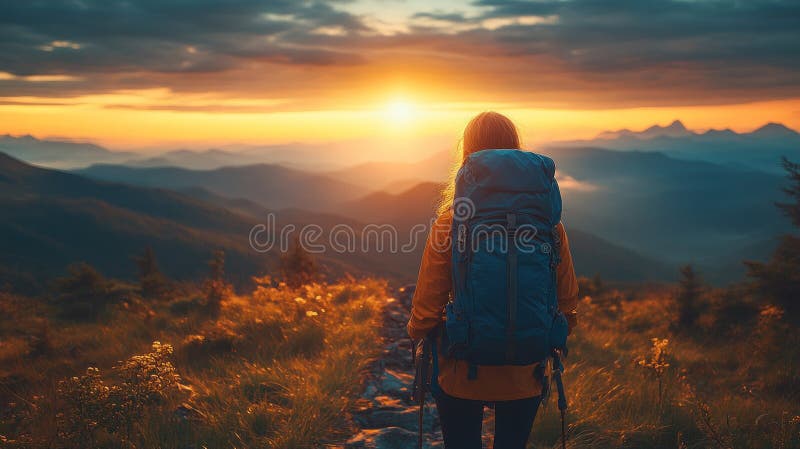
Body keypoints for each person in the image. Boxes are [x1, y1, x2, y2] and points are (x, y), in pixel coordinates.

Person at [407, 111, 579, 449]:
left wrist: (416, 336)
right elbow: (568, 303)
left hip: (461, 369)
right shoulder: (549, 227)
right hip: (525, 371)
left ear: (468, 158)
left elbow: (427, 309)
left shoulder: (451, 224)